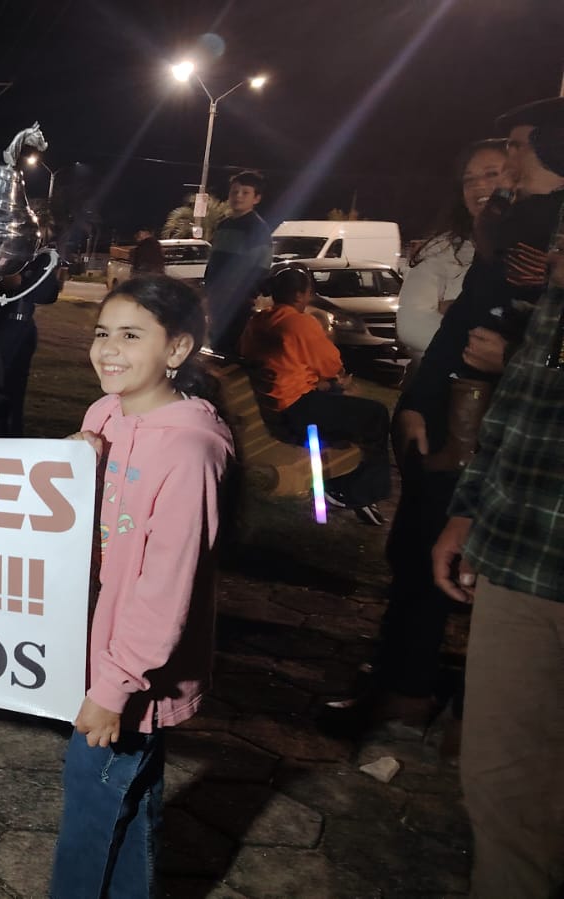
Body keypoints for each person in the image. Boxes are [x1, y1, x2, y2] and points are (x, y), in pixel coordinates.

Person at [50, 275, 234, 898]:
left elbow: (165, 586)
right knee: (125, 803)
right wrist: (82, 458)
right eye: (103, 333)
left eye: (132, 335)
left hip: (133, 674)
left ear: (177, 350)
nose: (109, 350)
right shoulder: (104, 412)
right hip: (98, 650)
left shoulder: (189, 450)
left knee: (91, 815)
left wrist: (115, 685)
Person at [430, 94, 564, 899]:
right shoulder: (544, 289)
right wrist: (469, 504)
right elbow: (520, 403)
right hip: (521, 555)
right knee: (501, 782)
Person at [358, 139, 508, 737]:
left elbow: (543, 336)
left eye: (497, 172)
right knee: (418, 552)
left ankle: (472, 703)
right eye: (472, 176)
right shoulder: (458, 249)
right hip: (445, 421)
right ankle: (404, 684)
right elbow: (423, 329)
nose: (483, 185)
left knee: (490, 576)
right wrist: (419, 400)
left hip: (513, 438)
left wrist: (515, 353)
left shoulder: (528, 253)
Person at [239, 265, 391, 524]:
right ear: (300, 295)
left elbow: (266, 360)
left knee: (348, 406)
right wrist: (334, 381)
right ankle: (356, 490)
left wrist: (323, 383)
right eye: (309, 292)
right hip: (296, 410)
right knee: (375, 414)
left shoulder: (259, 320)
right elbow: (331, 364)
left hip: (275, 406)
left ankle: (343, 484)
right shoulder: (299, 322)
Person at [395, 140, 508, 360]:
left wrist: (454, 311)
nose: (478, 185)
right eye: (469, 179)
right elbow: (411, 325)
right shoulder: (443, 249)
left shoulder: (545, 249)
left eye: (492, 174)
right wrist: (485, 348)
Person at [204, 169, 272, 350]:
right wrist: (209, 290)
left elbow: (261, 268)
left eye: (245, 192)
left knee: (232, 347)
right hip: (217, 299)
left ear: (256, 198)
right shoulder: (223, 225)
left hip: (238, 303)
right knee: (215, 344)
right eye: (234, 192)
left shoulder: (257, 229)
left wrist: (245, 296)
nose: (238, 196)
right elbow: (214, 261)